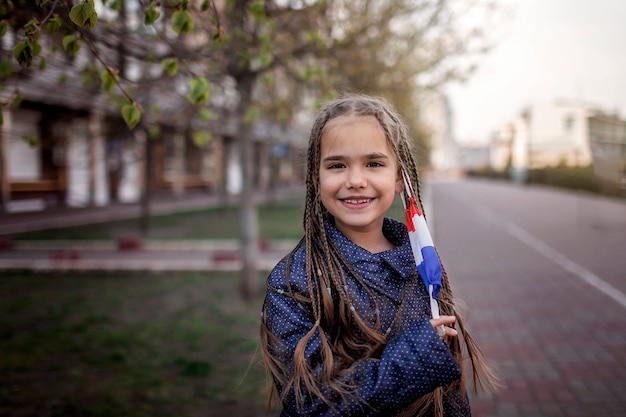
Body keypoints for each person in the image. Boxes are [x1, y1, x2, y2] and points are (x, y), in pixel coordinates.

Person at [260, 95, 498, 416]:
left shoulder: (421, 262)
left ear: (400, 177)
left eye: (374, 164)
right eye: (337, 165)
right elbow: (311, 404)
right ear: (315, 178)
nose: (356, 180)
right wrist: (416, 356)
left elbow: (449, 393)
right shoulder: (294, 282)